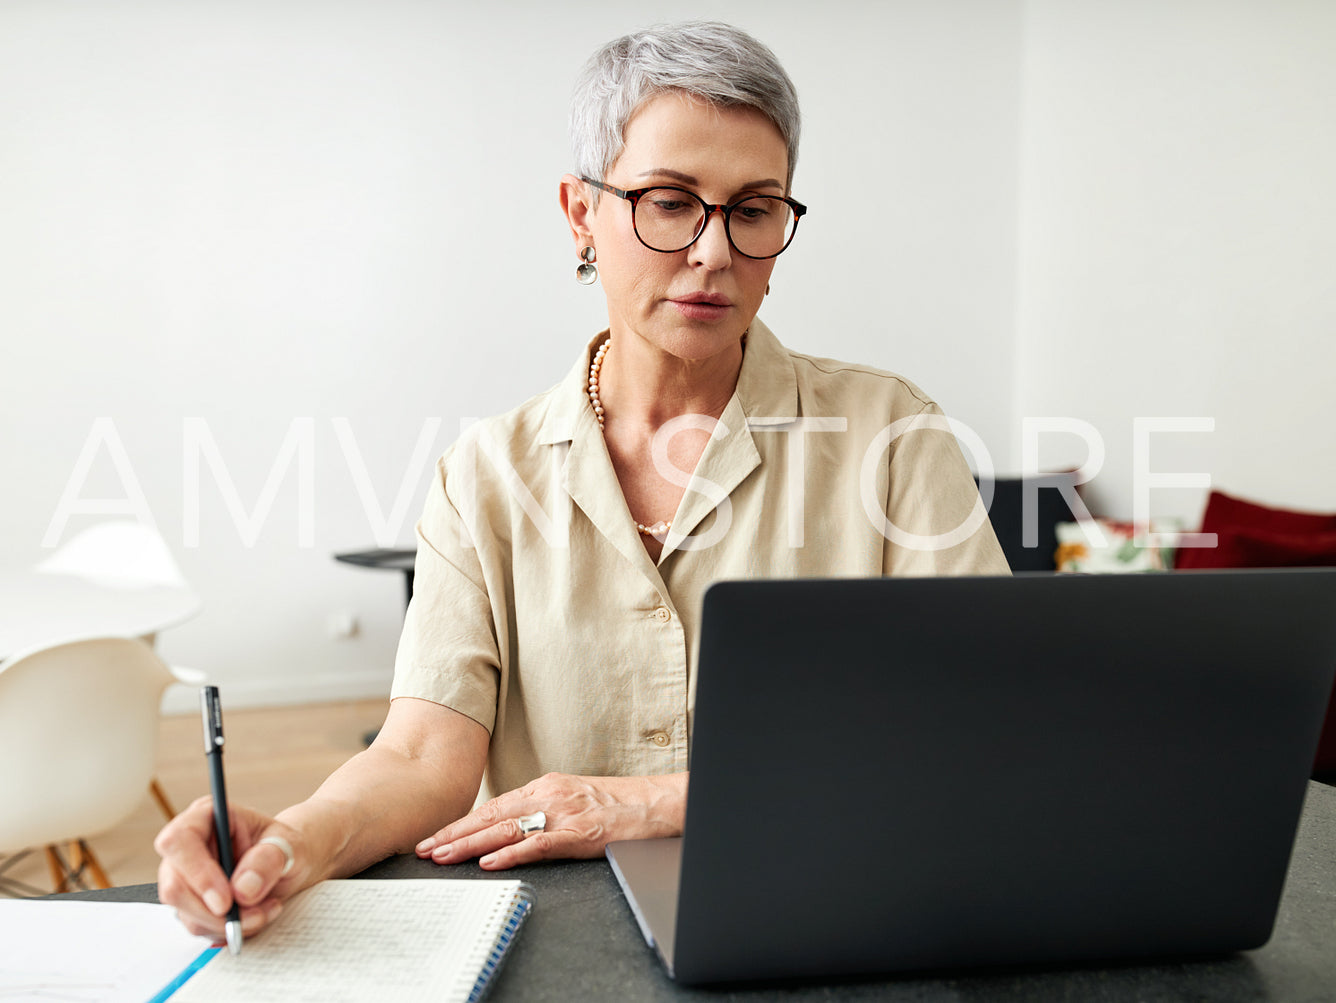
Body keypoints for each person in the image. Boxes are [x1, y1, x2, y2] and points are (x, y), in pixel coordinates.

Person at [155, 20, 1009, 940]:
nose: (713, 252)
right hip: (563, 937)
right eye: (669, 201)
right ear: (580, 215)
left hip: (835, 913)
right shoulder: (485, 473)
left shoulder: (890, 434)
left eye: (753, 209)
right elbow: (417, 754)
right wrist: (290, 840)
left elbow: (976, 726)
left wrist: (650, 803)